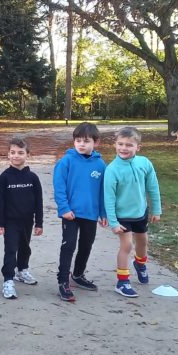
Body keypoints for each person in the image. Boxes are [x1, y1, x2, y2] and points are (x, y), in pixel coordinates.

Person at [104, 127, 162, 298]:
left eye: (129, 145)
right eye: (120, 144)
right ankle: (122, 282)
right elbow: (109, 198)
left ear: (138, 147)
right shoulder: (112, 170)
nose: (124, 148)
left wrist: (156, 210)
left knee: (143, 242)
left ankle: (140, 264)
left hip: (140, 213)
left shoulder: (145, 163)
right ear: (115, 145)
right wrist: (113, 222)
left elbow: (153, 188)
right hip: (122, 216)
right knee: (127, 245)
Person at [54, 122, 108, 302]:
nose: (81, 144)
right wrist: (64, 208)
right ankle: (63, 281)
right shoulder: (66, 161)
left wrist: (103, 213)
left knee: (86, 244)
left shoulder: (100, 165)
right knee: (68, 246)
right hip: (71, 214)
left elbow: (102, 192)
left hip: (90, 214)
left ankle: (77, 275)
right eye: (78, 141)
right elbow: (59, 186)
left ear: (96, 142)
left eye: (86, 141)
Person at [0, 136, 43, 299]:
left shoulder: (33, 178)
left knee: (25, 247)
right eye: (13, 152)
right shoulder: (4, 178)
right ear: (8, 154)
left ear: (28, 154)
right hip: (10, 222)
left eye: (20, 152)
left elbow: (39, 201)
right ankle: (8, 280)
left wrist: (39, 223)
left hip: (28, 221)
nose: (16, 156)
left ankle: (22, 270)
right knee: (11, 249)